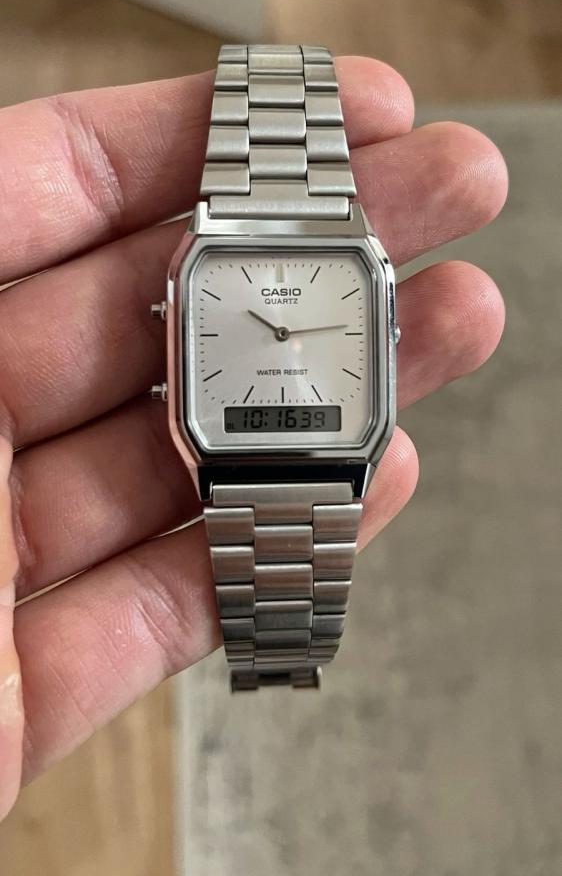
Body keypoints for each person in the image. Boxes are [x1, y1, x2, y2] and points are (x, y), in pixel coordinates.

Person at [0, 57, 507, 821]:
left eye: (290, 329)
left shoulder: (333, 263)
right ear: (171, 311)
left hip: (311, 450)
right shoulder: (224, 273)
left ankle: (285, 652)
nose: (281, 337)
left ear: (383, 319)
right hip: (240, 449)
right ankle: (282, 653)